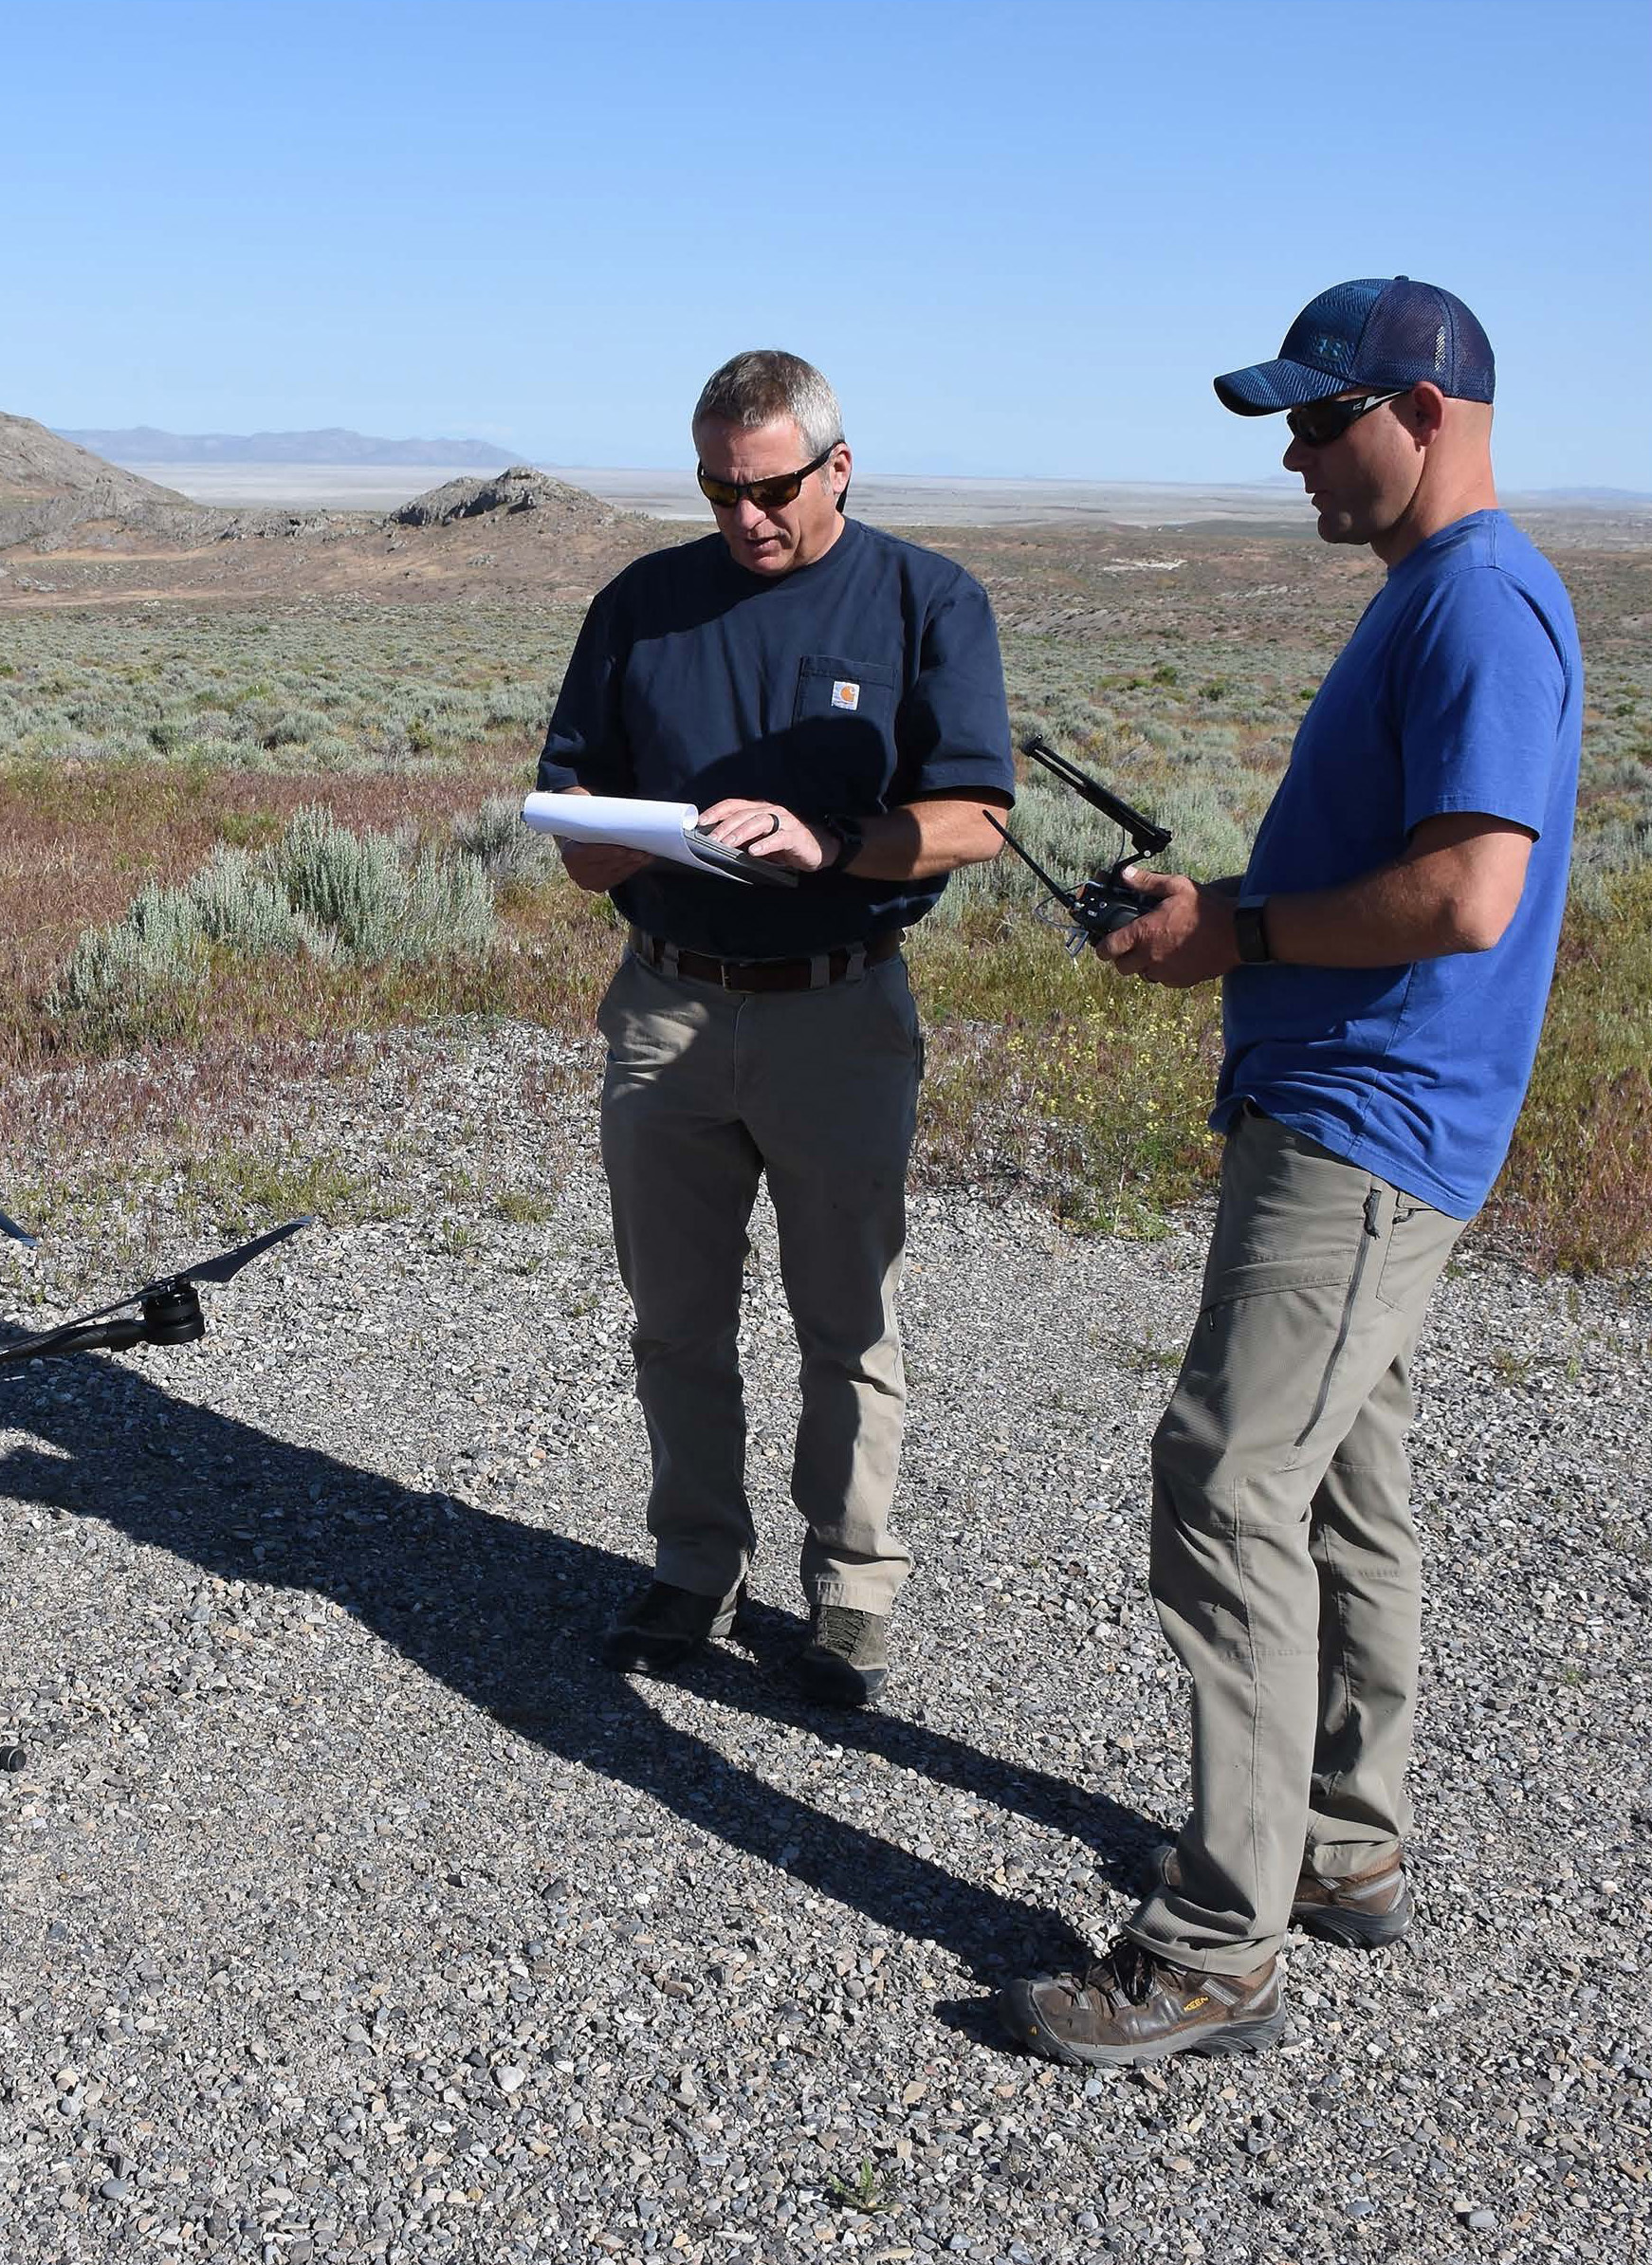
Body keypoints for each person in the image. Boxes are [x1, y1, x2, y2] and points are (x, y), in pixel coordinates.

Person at [1000, 278, 1586, 2066]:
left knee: (1223, 1482)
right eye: (1285, 428)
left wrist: (1232, 929)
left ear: (1419, 409)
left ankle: (1210, 1944)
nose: (1293, 459)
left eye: (1317, 423)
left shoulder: (1475, 599)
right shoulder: (1441, 593)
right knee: (1340, 1488)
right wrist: (1227, 936)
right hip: (1355, 1107)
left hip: (1365, 1124)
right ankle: (1338, 1842)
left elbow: (1467, 893)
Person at [540, 349, 1013, 1708]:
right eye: (717, 488)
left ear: (837, 467)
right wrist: (612, 841)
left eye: (770, 489)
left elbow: (977, 815)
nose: (744, 517)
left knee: (845, 1319)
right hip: (665, 1002)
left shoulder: (926, 600)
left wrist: (833, 842)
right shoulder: (641, 603)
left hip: (836, 1011)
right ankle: (694, 1566)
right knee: (673, 1318)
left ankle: (852, 1590)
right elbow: (573, 806)